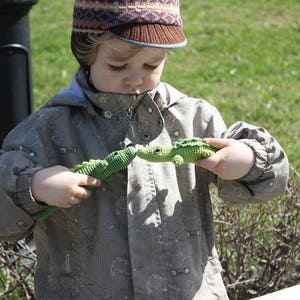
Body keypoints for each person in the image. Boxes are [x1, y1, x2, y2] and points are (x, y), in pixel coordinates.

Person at [0, 0, 289, 299]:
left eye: (152, 65)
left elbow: (275, 179)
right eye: (117, 65)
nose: (136, 78)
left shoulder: (192, 120)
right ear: (87, 53)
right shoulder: (48, 131)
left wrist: (247, 161)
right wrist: (33, 187)